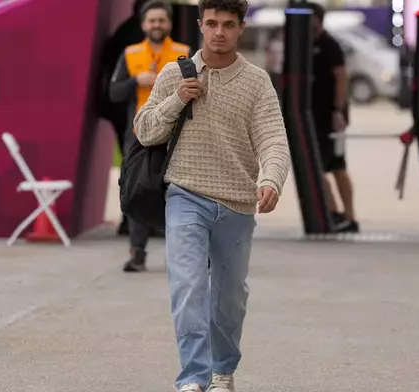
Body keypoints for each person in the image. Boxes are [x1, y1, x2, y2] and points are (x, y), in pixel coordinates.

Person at [134, 0, 291, 389]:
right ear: (201, 25)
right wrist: (177, 99)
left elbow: (273, 140)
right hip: (185, 195)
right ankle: (193, 379)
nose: (219, 31)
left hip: (237, 203)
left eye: (228, 24)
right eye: (212, 23)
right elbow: (145, 130)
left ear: (240, 28)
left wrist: (271, 180)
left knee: (229, 299)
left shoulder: (256, 83)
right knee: (187, 286)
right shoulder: (175, 73)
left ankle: (224, 370)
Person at [110, 0, 191, 272]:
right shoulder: (130, 54)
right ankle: (137, 252)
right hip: (139, 137)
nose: (157, 25)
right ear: (144, 24)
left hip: (176, 136)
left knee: (179, 194)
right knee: (137, 192)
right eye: (152, 21)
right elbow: (114, 93)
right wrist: (135, 81)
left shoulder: (184, 53)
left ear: (169, 23)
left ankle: (180, 255)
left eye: (161, 20)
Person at [98, 0, 150, 236]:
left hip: (126, 108)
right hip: (128, 109)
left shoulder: (127, 30)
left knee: (136, 166)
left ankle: (133, 221)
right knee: (135, 166)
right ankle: (133, 221)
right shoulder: (133, 36)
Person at [307, 2, 359, 233]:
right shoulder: (304, 45)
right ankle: (335, 212)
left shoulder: (329, 45)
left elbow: (341, 77)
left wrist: (338, 110)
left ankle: (346, 215)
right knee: (317, 165)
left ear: (318, 21)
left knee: (335, 166)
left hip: (330, 116)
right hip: (311, 115)